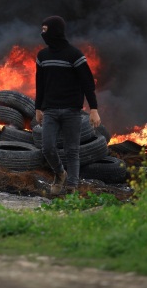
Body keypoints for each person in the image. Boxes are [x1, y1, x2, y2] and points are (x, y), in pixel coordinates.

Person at [35, 15, 101, 195]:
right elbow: (40, 85)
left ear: (55, 31)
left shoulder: (75, 55)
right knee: (47, 147)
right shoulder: (42, 56)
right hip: (50, 111)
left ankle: (72, 188)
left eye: (45, 30)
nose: (42, 34)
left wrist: (93, 109)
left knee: (72, 151)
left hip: (72, 111)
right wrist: (38, 108)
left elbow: (88, 83)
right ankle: (60, 173)